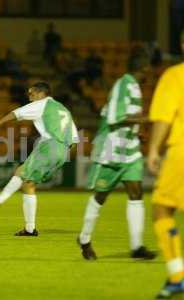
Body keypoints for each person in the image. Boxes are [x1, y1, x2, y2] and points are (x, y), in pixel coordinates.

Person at [77, 50, 156, 260]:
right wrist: (144, 121)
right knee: (100, 197)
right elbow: (114, 117)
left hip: (129, 151)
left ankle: (137, 247)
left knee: (136, 193)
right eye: (149, 66)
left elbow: (131, 116)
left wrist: (138, 132)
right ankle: (84, 239)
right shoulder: (124, 84)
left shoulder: (135, 87)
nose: (151, 70)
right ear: (143, 67)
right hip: (111, 151)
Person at [0, 82, 79, 236]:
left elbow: (16, 113)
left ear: (41, 93)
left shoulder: (42, 104)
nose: (30, 97)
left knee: (27, 182)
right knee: (23, 174)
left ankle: (1, 205)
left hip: (49, 145)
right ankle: (8, 211)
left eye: (31, 94)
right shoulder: (63, 109)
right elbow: (74, 140)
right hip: (63, 150)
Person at [147, 32, 184, 299]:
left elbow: (164, 118)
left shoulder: (174, 75)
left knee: (162, 209)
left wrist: (153, 149)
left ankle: (177, 275)